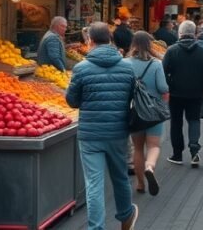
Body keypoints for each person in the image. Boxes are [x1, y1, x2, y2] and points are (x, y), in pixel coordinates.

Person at [67, 23, 139, 230]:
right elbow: (132, 97)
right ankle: (126, 215)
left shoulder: (81, 68)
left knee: (94, 184)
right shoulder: (127, 67)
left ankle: (96, 227)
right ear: (110, 39)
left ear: (90, 41)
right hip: (118, 132)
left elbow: (72, 101)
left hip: (90, 135)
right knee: (120, 177)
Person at [162, 20, 203, 167]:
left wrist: (170, 85)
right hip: (195, 93)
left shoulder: (171, 51)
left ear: (180, 33)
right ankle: (194, 150)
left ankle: (177, 154)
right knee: (194, 120)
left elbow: (163, 72)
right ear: (195, 33)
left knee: (176, 123)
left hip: (176, 93)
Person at [126, 32, 169, 195]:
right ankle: (150, 167)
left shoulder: (126, 63)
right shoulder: (156, 64)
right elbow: (163, 88)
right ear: (149, 45)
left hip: (135, 111)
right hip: (153, 110)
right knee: (153, 146)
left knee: (137, 148)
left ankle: (140, 184)